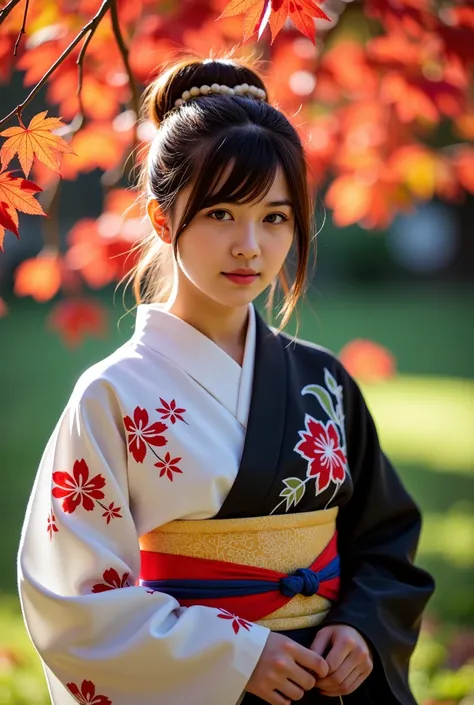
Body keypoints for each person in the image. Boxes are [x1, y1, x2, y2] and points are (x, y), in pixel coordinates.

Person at [18, 55, 434, 705]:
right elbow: (71, 600)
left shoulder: (322, 380)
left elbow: (383, 539)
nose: (250, 245)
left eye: (274, 217)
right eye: (220, 214)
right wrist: (236, 652)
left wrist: (360, 628)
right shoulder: (111, 395)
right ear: (162, 220)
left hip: (329, 685)